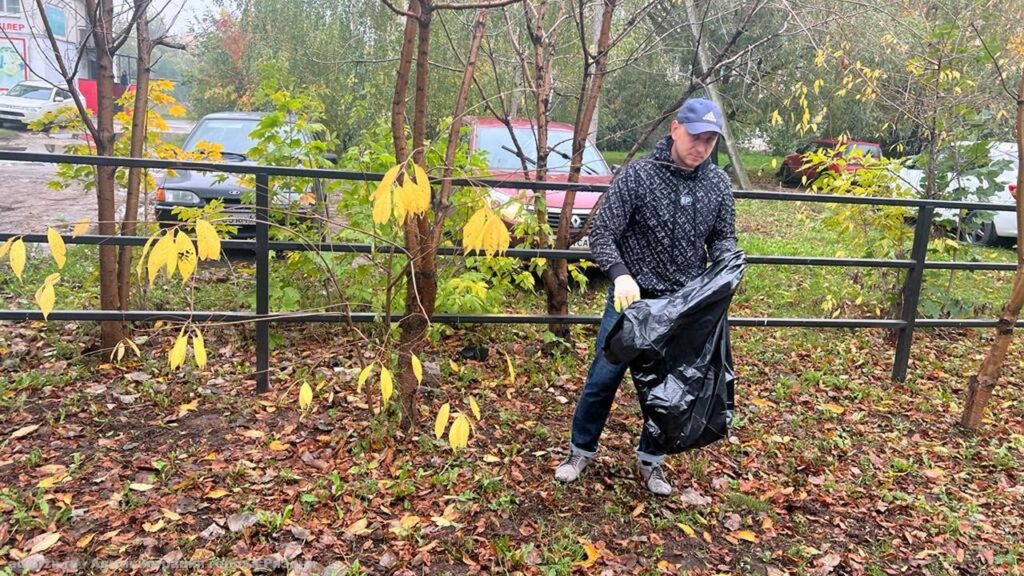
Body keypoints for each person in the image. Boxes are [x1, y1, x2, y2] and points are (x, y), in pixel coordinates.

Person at [554, 98, 737, 496]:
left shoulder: (718, 184)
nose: (701, 147)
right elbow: (602, 233)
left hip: (681, 306)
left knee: (669, 388)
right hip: (631, 301)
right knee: (603, 378)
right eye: (695, 136)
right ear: (674, 129)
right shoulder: (638, 176)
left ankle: (652, 460)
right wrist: (619, 275)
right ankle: (579, 451)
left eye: (709, 140)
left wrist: (726, 266)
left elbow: (723, 236)